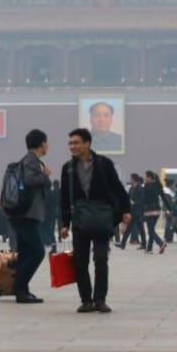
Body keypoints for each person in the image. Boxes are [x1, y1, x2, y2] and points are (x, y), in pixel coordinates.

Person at [60, 128, 131, 313]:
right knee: (80, 262)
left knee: (101, 259)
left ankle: (100, 299)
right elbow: (64, 198)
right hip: (80, 220)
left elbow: (117, 187)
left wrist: (126, 210)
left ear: (87, 143)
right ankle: (86, 300)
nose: (72, 146)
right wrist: (64, 224)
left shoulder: (104, 163)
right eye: (70, 143)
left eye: (76, 143)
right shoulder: (67, 168)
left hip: (101, 219)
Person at [8, 129, 52, 304]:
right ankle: (19, 286)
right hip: (27, 214)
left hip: (23, 214)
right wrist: (45, 176)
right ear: (41, 143)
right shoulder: (31, 161)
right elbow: (29, 180)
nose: (47, 146)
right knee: (37, 252)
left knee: (26, 253)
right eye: (46, 142)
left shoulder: (30, 160)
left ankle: (23, 290)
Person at [117, 173, 146, 249]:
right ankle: (123, 244)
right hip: (132, 212)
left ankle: (143, 244)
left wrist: (134, 203)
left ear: (134, 179)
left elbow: (142, 200)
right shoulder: (131, 188)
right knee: (130, 229)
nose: (130, 180)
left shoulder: (140, 188)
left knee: (141, 229)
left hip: (138, 212)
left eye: (131, 178)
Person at [141, 170, 168, 254]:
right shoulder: (157, 186)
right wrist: (170, 209)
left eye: (145, 177)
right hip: (157, 211)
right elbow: (164, 198)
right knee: (151, 230)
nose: (144, 178)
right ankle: (149, 248)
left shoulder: (147, 186)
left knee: (151, 231)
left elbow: (144, 199)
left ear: (149, 177)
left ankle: (160, 243)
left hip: (149, 211)